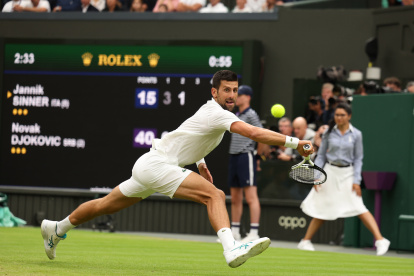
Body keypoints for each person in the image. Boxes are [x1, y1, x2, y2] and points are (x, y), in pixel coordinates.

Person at [41, 70, 314, 268]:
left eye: (235, 90)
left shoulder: (214, 114)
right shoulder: (217, 113)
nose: (232, 95)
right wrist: (295, 142)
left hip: (149, 165)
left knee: (106, 205)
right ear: (214, 92)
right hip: (159, 165)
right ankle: (231, 249)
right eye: (227, 90)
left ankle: (56, 228)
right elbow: (253, 132)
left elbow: (191, 138)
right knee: (215, 196)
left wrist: (202, 164)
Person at [297, 103, 390, 256]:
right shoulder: (328, 133)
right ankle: (305, 241)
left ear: (349, 116)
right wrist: (316, 175)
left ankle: (380, 240)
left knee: (359, 207)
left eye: (342, 115)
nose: (339, 118)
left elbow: (359, 159)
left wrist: (356, 180)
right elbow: (321, 155)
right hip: (329, 172)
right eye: (337, 115)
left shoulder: (356, 134)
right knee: (322, 207)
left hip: (348, 173)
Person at [227, 85, 265, 243]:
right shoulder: (237, 114)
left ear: (248, 97)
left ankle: (254, 233)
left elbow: (262, 135)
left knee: (251, 197)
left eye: (240, 94)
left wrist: (257, 157)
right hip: (234, 156)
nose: (237, 97)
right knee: (235, 197)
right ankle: (235, 232)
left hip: (246, 156)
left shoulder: (251, 114)